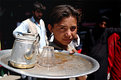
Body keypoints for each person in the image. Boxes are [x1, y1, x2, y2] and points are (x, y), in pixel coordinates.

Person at [47, 5, 86, 80]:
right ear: (51, 28)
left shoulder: (71, 48)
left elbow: (82, 78)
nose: (68, 34)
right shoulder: (47, 55)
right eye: (62, 28)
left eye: (73, 28)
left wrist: (78, 63)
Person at [12, 1, 47, 80]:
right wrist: (26, 41)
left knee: (40, 74)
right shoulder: (26, 23)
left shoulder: (42, 22)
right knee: (30, 74)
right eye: (38, 12)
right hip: (32, 53)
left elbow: (44, 35)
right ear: (33, 12)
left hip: (42, 53)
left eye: (41, 12)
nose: (40, 14)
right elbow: (16, 33)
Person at [81, 16, 110, 80]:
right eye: (101, 24)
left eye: (105, 25)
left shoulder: (107, 31)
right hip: (93, 60)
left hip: (103, 62)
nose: (102, 26)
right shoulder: (91, 32)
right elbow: (85, 45)